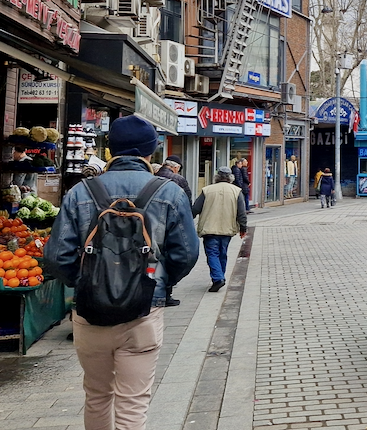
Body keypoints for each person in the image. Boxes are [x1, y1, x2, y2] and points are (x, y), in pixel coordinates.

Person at [43, 115, 200, 430]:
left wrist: (86, 282)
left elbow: (56, 257)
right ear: (150, 152)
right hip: (143, 312)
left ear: (110, 148)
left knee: (97, 396)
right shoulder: (169, 192)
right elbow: (186, 253)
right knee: (133, 402)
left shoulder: (80, 191)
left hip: (90, 313)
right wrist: (156, 282)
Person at [192, 166, 246, 292]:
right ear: (230, 178)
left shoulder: (207, 190)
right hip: (227, 229)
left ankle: (218, 278)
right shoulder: (237, 191)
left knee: (212, 253)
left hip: (209, 228)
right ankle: (220, 276)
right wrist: (243, 228)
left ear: (216, 177)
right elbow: (241, 213)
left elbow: (195, 209)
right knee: (222, 253)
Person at [155, 155, 192, 306]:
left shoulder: (153, 176)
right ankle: (166, 293)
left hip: (153, 223)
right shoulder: (179, 180)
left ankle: (154, 291)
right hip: (171, 224)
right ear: (176, 167)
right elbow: (187, 202)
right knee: (169, 257)